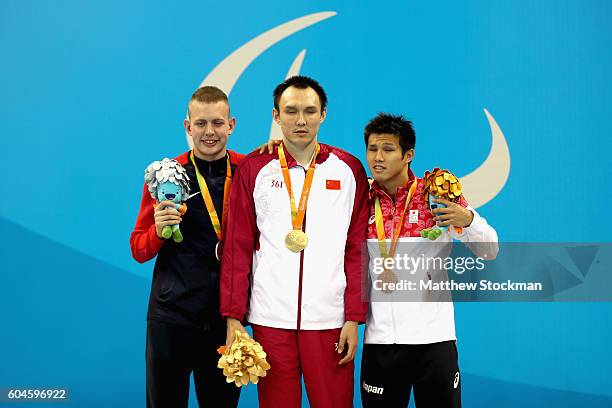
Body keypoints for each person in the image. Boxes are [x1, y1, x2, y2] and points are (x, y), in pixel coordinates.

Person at [219, 75, 370, 408]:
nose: (300, 120)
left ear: (323, 114)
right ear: (276, 115)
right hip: (270, 319)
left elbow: (357, 248)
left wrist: (353, 317)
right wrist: (233, 317)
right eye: (290, 111)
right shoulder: (254, 169)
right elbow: (237, 249)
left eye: (309, 111)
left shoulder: (349, 170)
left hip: (330, 320)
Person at [360, 113, 499, 408]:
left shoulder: (436, 194)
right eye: (372, 149)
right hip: (381, 342)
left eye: (387, 149)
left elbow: (490, 249)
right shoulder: (361, 198)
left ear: (408, 154)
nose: (378, 157)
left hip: (434, 342)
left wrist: (468, 219)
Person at [130, 86, 242, 408]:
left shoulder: (248, 171)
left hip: (225, 321)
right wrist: (160, 231)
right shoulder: (166, 175)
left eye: (218, 123)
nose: (210, 132)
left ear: (231, 124)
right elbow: (138, 249)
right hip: (171, 318)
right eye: (201, 123)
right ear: (187, 126)